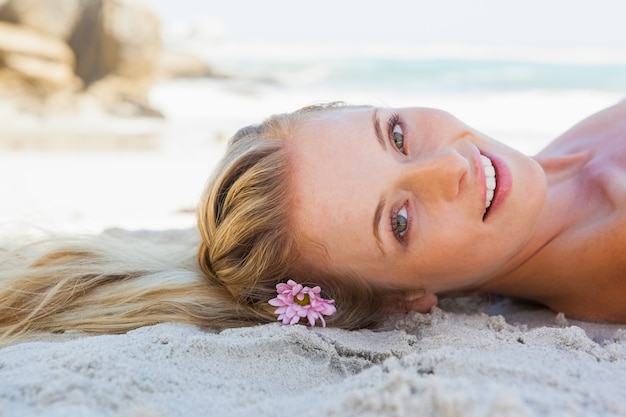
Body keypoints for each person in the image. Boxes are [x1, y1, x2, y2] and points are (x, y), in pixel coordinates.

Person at [1, 99, 625, 346]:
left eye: (397, 134)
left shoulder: (568, 160)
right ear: (409, 300)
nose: (447, 167)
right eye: (400, 221)